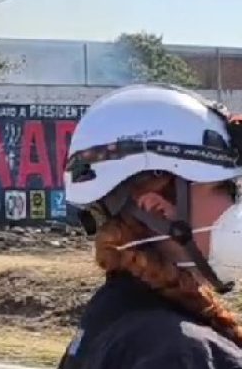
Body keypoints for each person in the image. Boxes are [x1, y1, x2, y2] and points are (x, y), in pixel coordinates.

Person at [59, 84, 242, 368]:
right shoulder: (178, 352)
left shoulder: (115, 316)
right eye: (227, 188)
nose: (236, 205)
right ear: (158, 208)